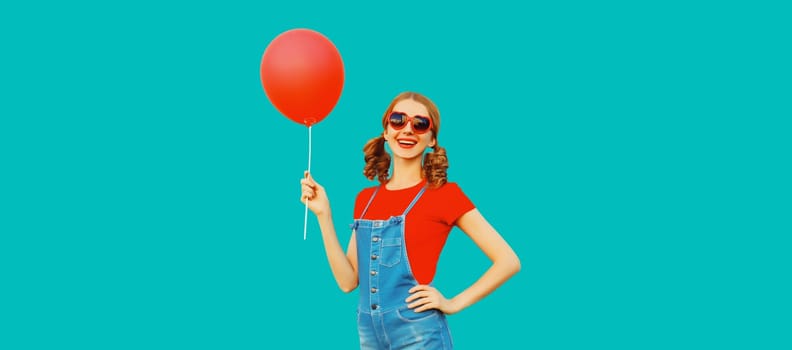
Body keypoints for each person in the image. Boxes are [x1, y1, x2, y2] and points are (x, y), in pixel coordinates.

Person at [300, 91, 520, 349]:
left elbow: (508, 261)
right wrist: (324, 215)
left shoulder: (445, 195)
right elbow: (348, 282)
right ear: (386, 131)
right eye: (398, 120)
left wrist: (453, 303)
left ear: (431, 138)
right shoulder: (365, 199)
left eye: (420, 124)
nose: (407, 129)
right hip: (369, 334)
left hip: (418, 332)